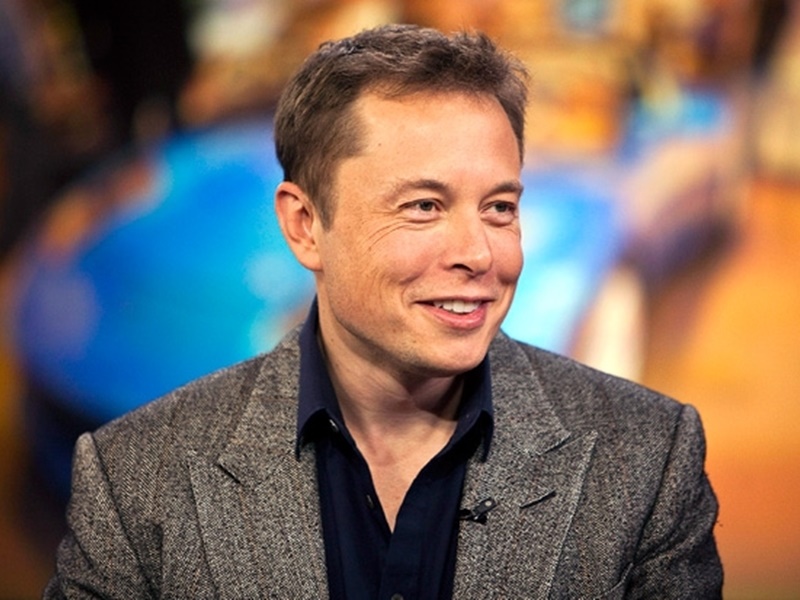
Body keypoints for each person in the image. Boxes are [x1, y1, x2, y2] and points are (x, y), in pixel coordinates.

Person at [44, 24, 722, 599]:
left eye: (500, 207)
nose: (478, 254)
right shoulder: (132, 478)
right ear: (304, 225)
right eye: (423, 206)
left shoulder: (650, 462)